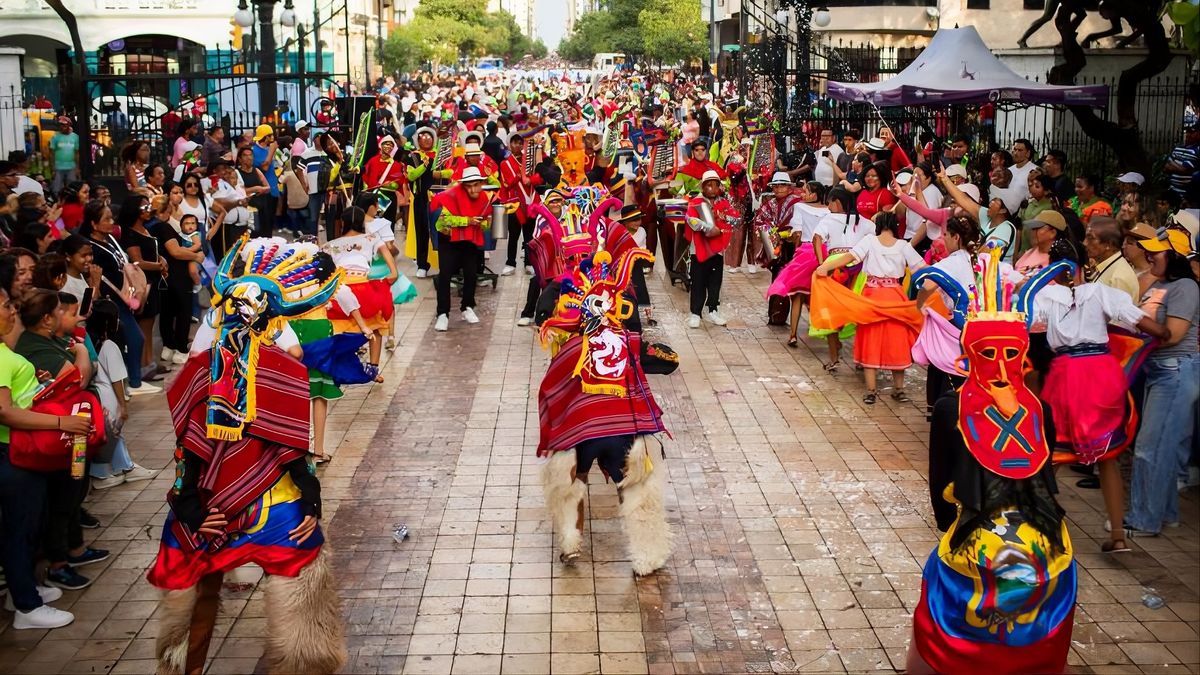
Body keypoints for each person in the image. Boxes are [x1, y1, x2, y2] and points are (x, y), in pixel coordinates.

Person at [0, 286, 90, 629]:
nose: (13, 311)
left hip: (23, 452)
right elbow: (5, 412)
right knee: (20, 529)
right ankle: (26, 606)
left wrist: (36, 386)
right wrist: (60, 421)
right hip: (14, 452)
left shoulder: (7, 351)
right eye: (6, 305)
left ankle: (22, 590)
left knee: (28, 525)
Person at [14, 290, 107, 592]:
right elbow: (77, 378)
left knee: (72, 493)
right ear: (46, 319)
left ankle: (75, 550)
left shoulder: (51, 341)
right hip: (54, 435)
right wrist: (80, 350)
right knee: (60, 501)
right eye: (60, 311)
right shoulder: (35, 347)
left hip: (70, 431)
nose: (66, 314)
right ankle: (58, 563)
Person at [1126, 227, 1199, 536]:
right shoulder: (1162, 284)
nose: (1149, 254)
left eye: (1157, 251)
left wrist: (1134, 330)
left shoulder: (1185, 287)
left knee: (1149, 447)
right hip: (1160, 373)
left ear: (1175, 256)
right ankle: (1166, 513)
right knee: (1162, 447)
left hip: (1175, 373)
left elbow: (1175, 334)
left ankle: (1144, 519)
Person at [812, 211, 925, 404]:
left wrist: (825, 267)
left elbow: (848, 258)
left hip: (872, 296)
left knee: (870, 338)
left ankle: (871, 391)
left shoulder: (870, 241)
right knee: (896, 341)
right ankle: (899, 389)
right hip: (895, 296)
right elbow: (922, 269)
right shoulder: (904, 246)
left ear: (879, 225)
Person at [80, 201, 158, 395]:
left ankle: (132, 381)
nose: (111, 221)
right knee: (132, 338)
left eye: (111, 217)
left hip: (124, 296)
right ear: (93, 224)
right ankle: (133, 382)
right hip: (112, 299)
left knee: (132, 338)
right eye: (106, 219)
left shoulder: (110, 240)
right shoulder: (93, 248)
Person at [85, 300, 156, 490]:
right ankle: (101, 473)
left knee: (111, 436)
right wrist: (123, 404)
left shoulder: (91, 343)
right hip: (109, 398)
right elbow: (117, 379)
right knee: (112, 435)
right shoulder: (110, 346)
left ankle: (123, 466)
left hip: (96, 396)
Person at [429, 167, 491, 331]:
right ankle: (443, 314)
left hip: (469, 239)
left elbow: (486, 222)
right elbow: (445, 220)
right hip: (448, 239)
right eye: (469, 186)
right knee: (445, 275)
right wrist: (468, 221)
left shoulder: (484, 198)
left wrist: (482, 223)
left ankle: (467, 307)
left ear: (481, 184)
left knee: (471, 274)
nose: (472, 189)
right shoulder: (450, 196)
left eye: (476, 185)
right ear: (463, 185)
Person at [118, 195, 167, 376]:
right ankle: (143, 365)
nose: (149, 211)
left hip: (152, 282)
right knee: (144, 326)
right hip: (142, 283)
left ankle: (149, 361)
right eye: (144, 208)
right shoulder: (130, 233)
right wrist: (158, 265)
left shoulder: (146, 229)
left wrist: (160, 259)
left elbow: (152, 252)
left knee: (150, 323)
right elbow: (136, 262)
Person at [685, 170, 736, 328]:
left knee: (715, 282)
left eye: (715, 185)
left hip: (717, 250)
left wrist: (721, 229)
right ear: (703, 186)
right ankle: (695, 313)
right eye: (709, 185)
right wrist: (706, 227)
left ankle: (713, 309)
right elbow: (690, 220)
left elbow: (733, 220)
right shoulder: (695, 202)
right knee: (698, 282)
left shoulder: (724, 204)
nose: (712, 189)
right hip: (698, 249)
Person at [156, 213, 205, 365]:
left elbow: (196, 247)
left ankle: (175, 347)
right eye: (187, 223)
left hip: (177, 273)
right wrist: (194, 256)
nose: (190, 226)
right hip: (172, 275)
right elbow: (176, 252)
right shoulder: (166, 227)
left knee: (174, 312)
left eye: (193, 223)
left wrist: (193, 254)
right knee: (176, 311)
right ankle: (176, 347)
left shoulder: (194, 235)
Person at [499, 133, 544, 276]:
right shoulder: (505, 163)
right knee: (514, 235)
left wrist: (532, 180)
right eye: (514, 143)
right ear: (509, 145)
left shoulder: (528, 160)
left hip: (531, 202)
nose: (517, 145)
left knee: (529, 235)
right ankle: (510, 263)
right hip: (515, 204)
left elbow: (539, 177)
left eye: (520, 143)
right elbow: (507, 183)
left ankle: (529, 263)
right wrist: (520, 175)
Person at [1085, 216, 1140, 303]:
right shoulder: (1107, 266)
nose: (1085, 243)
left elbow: (1118, 316)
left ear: (1109, 244)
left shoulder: (1118, 278)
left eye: (1090, 238)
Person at [1015, 209, 1069, 274]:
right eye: (1033, 228)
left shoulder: (1059, 260)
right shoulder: (1029, 252)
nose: (1033, 232)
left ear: (1053, 233)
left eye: (1037, 228)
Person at [250, 125, 280, 237]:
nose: (272, 137)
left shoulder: (268, 149)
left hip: (273, 189)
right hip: (264, 192)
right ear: (265, 137)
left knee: (271, 222)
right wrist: (272, 151)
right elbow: (264, 167)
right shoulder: (255, 151)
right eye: (270, 135)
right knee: (265, 223)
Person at [1163, 122, 1198, 204]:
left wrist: (1172, 162)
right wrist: (1178, 166)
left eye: (1192, 133)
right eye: (1187, 132)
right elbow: (1165, 167)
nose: (1188, 135)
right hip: (1172, 190)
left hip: (1186, 195)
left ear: (1197, 134)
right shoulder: (1178, 148)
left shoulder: (1196, 151)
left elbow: (1184, 169)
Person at [47, 117, 80, 194]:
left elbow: (77, 153)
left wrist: (77, 168)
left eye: (64, 125)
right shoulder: (55, 137)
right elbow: (51, 153)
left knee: (72, 189)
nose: (62, 127)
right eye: (60, 125)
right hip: (58, 168)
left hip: (71, 167)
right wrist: (52, 168)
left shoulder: (75, 137)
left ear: (69, 125)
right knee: (57, 189)